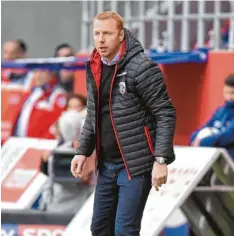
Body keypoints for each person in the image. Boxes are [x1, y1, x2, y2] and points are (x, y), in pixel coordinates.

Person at [71, 11, 176, 236]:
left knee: (125, 231)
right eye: (96, 33)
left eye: (107, 33)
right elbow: (93, 113)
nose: (100, 39)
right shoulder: (95, 66)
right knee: (99, 229)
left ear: (121, 36)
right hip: (106, 164)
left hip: (135, 165)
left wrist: (161, 159)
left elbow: (165, 113)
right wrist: (82, 151)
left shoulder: (142, 68)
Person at [190, 74, 234, 159]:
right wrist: (194, 138)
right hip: (214, 158)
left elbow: (229, 135)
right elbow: (207, 126)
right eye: (227, 92)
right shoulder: (220, 110)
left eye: (233, 93)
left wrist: (202, 142)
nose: (229, 96)